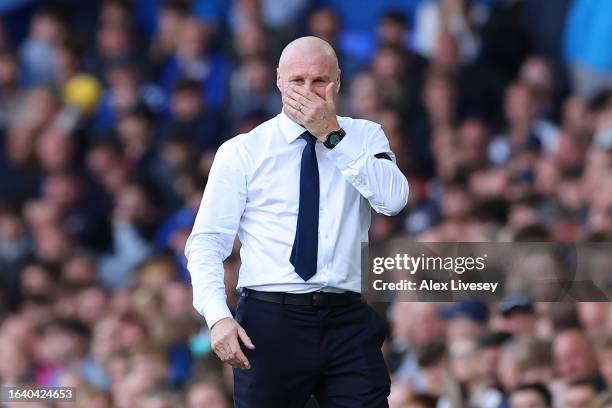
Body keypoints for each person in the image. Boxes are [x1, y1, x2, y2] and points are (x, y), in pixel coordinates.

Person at [185, 36, 409, 407]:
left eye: (320, 81)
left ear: (337, 82)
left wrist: (332, 135)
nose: (309, 91)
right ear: (278, 81)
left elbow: (394, 201)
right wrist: (217, 317)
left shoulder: (365, 136)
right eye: (297, 81)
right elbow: (207, 242)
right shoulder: (242, 151)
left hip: (347, 316)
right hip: (270, 318)